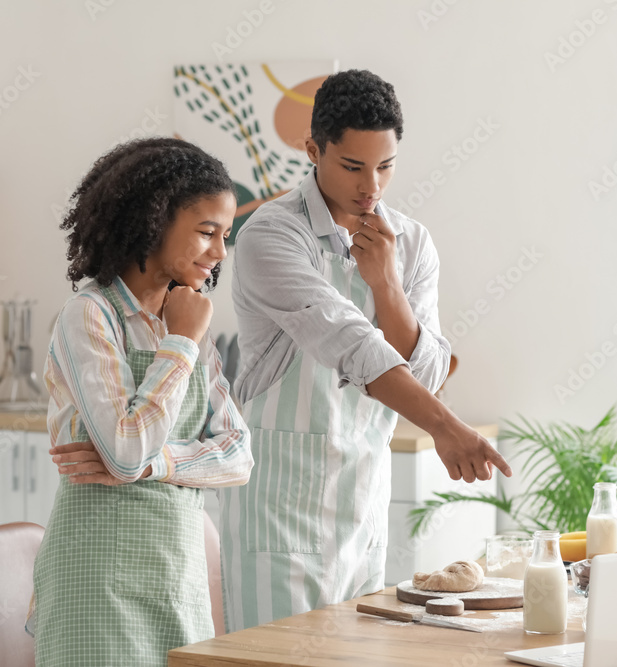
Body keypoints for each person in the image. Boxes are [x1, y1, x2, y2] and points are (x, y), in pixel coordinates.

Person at [220, 69, 512, 632]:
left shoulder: (412, 241)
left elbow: (426, 375)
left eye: (385, 166)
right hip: (278, 508)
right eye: (353, 166)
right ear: (313, 150)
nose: (371, 185)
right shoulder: (270, 235)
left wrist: (388, 285)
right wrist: (445, 428)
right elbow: (350, 343)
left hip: (362, 503)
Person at [28, 137, 253, 666]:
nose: (220, 252)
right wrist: (179, 344)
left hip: (177, 576)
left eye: (225, 235)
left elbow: (239, 455)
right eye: (205, 232)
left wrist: (157, 464)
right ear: (151, 221)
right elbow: (125, 449)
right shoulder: (89, 315)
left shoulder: (187, 318)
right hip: (96, 579)